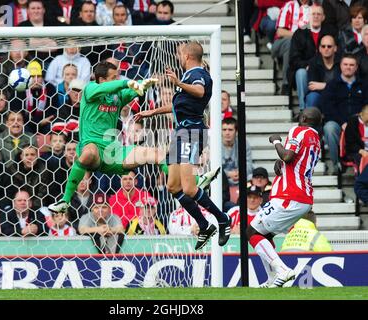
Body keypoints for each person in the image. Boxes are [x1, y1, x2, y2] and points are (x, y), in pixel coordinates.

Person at [48, 61, 218, 214]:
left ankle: (198, 180)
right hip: (93, 151)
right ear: (101, 80)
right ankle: (65, 200)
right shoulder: (90, 89)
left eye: (119, 76)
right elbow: (112, 88)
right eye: (114, 77)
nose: (118, 79)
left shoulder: (117, 96)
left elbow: (133, 92)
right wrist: (125, 82)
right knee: (89, 152)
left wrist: (142, 86)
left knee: (156, 154)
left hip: (114, 153)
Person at [134, 42, 231, 250]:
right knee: (173, 186)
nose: (178, 57)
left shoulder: (199, 74)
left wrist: (178, 81)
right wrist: (153, 111)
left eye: (179, 53)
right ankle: (204, 225)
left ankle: (222, 219)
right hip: (180, 133)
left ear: (187, 55)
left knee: (189, 187)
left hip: (192, 132)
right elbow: (178, 103)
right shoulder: (187, 77)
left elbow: (198, 91)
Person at [246, 107, 322, 288]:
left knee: (251, 232)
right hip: (303, 197)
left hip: (289, 196)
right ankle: (273, 277)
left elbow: (288, 156)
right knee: (264, 234)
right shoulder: (317, 139)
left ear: (303, 117)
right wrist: (282, 163)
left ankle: (282, 270)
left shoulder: (298, 130)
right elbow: (295, 161)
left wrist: (276, 141)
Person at [319, 53, 367, 174]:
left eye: (352, 65)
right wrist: (343, 123)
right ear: (340, 66)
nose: (348, 67)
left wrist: (355, 122)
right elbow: (327, 108)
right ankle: (337, 164)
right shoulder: (332, 85)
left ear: (356, 67)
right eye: (345, 64)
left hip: (360, 123)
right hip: (338, 123)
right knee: (329, 128)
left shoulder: (364, 85)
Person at [271, 0, 311, 94]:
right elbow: (280, 32)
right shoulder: (290, 5)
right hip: (282, 42)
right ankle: (286, 83)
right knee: (290, 43)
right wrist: (298, 36)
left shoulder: (314, 8)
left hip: (304, 45)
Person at [305, 34, 341, 108]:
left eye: (329, 46)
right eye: (323, 46)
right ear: (320, 49)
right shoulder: (313, 62)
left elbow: (343, 85)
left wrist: (324, 85)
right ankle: (310, 118)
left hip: (337, 95)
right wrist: (332, 86)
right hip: (319, 95)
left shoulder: (342, 62)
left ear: (335, 48)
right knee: (312, 97)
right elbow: (312, 86)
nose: (326, 48)